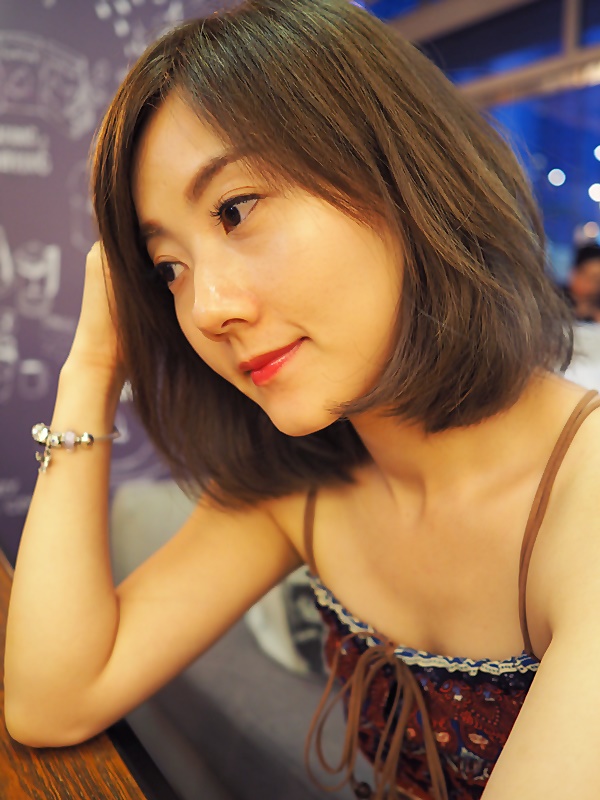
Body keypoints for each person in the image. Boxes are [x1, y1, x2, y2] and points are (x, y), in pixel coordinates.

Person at [5, 2, 600, 798]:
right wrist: (91, 365)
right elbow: (51, 701)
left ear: (401, 173)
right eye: (168, 269)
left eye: (235, 211)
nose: (206, 309)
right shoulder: (303, 480)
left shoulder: (585, 500)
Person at [563, 243, 600, 323]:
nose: (593, 286)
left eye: (597, 281)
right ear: (574, 272)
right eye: (590, 278)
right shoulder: (555, 301)